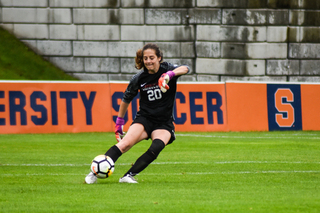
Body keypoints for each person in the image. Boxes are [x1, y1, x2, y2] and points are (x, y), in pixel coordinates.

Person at [85, 43, 190, 184]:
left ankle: (127, 176)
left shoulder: (168, 69)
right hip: (144, 119)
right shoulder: (139, 78)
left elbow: (186, 68)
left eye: (151, 57)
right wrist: (119, 123)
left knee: (156, 147)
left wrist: (170, 75)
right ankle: (93, 173)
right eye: (145, 58)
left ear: (159, 58)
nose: (148, 61)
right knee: (125, 144)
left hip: (163, 122)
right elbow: (126, 98)